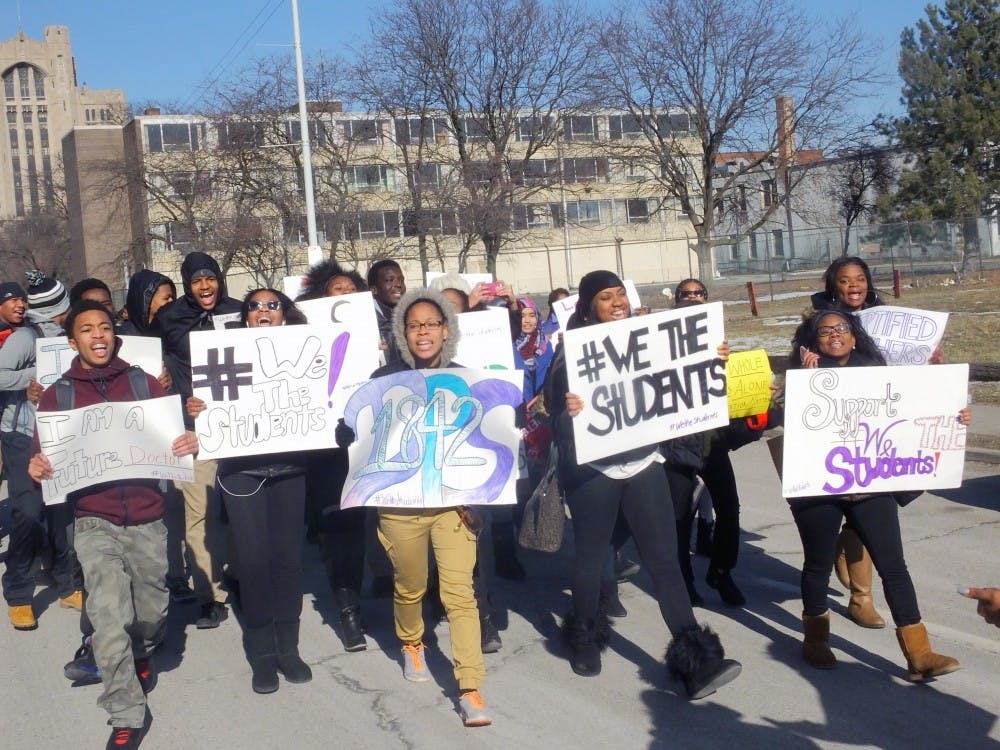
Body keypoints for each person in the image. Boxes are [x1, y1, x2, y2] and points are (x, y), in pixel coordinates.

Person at [543, 269, 740, 699]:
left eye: (621, 296)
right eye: (605, 298)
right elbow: (553, 423)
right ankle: (584, 640)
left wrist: (711, 361)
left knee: (665, 561)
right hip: (594, 472)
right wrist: (568, 412)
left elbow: (682, 384)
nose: (617, 303)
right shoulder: (569, 354)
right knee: (591, 560)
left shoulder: (651, 339)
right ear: (589, 307)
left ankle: (696, 660)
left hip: (643, 463)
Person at [28, 299, 199, 750]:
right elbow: (41, 455)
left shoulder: (143, 384)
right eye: (87, 329)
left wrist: (188, 438)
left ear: (114, 335)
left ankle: (141, 652)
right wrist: (38, 466)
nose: (98, 335)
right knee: (107, 617)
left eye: (104, 327)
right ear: (73, 341)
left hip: (147, 517)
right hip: (93, 520)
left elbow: (174, 438)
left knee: (151, 612)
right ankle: (126, 712)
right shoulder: (57, 396)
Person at [336, 287, 493, 727]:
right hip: (401, 504)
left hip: (453, 506)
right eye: (414, 324)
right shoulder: (385, 377)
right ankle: (411, 642)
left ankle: (470, 685)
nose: (423, 331)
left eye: (431, 323)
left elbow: (484, 440)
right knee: (411, 586)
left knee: (461, 594)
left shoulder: (468, 379)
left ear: (447, 330)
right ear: (404, 332)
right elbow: (357, 425)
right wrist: (347, 435)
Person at [788, 310, 967, 680]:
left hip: (871, 486)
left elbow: (915, 407)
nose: (835, 335)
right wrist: (806, 383)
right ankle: (816, 640)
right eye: (825, 331)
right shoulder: (800, 376)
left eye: (842, 329)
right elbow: (788, 426)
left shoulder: (877, 371)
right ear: (813, 340)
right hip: (821, 487)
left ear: (854, 336)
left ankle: (920, 654)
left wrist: (955, 412)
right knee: (818, 565)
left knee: (894, 567)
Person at [187, 289, 312, 694]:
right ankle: (261, 655)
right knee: (254, 563)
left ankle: (288, 647)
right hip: (242, 473)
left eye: (272, 305)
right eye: (254, 306)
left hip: (291, 469)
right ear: (244, 318)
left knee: (288, 562)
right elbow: (207, 408)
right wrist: (197, 409)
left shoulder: (305, 354)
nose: (263, 311)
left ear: (284, 315)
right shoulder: (224, 354)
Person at [152, 251, 241, 629]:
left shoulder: (240, 312)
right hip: (194, 429)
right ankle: (210, 596)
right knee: (199, 513)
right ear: (188, 285)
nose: (204, 286)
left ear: (219, 279)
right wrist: (166, 386)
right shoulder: (169, 320)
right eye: (196, 280)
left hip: (240, 426)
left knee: (240, 510)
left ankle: (239, 574)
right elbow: (149, 363)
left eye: (210, 278)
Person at [295, 262, 373, 653]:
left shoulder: (379, 332)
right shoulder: (301, 336)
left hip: (369, 441)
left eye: (349, 289)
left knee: (361, 528)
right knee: (337, 528)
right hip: (325, 446)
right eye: (334, 290)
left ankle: (361, 594)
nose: (342, 295)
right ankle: (347, 610)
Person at [0, 271, 83, 630]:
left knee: (61, 515)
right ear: (56, 309)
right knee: (29, 514)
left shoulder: (73, 336)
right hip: (22, 436)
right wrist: (34, 378)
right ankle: (18, 593)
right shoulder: (24, 336)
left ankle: (68, 584)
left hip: (62, 436)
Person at [367, 259, 406, 365]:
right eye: (390, 280)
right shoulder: (365, 322)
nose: (398, 284)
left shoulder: (410, 317)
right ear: (373, 290)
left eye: (401, 280)